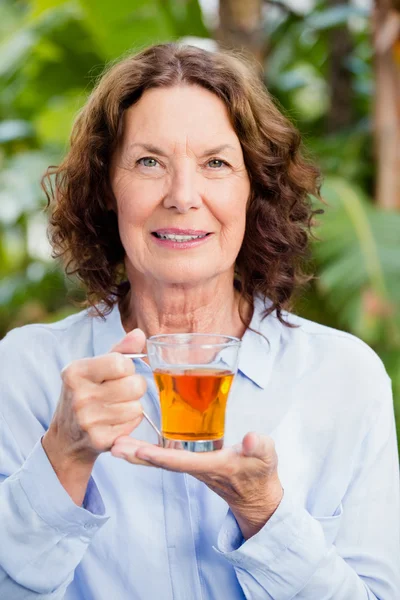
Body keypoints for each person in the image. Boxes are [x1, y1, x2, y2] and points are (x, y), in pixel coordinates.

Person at [0, 43, 398, 600]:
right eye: (148, 162)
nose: (183, 197)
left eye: (216, 163)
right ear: (106, 187)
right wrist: (63, 455)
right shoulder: (25, 371)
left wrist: (264, 514)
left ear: (253, 188)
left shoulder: (345, 378)